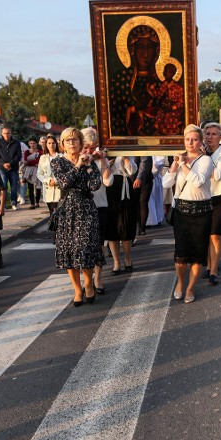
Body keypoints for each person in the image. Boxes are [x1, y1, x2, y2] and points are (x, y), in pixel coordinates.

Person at [51, 127, 106, 306]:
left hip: (86, 208)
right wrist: (78, 166)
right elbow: (65, 182)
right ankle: (76, 289)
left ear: (81, 143)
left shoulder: (88, 162)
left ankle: (88, 284)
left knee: (85, 248)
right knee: (69, 250)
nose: (72, 143)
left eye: (75, 140)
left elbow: (96, 184)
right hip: (67, 209)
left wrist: (89, 165)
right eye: (68, 140)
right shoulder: (57, 162)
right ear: (63, 145)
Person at [163, 124, 213, 303]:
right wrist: (176, 163)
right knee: (180, 256)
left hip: (201, 212)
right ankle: (181, 282)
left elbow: (198, 181)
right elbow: (166, 183)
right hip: (182, 212)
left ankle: (191, 287)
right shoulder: (179, 160)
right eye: (187, 139)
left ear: (200, 142)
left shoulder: (206, 161)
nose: (190, 143)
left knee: (197, 255)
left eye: (194, 139)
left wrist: (184, 164)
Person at [109, 24, 163, 136]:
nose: (146, 54)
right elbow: (115, 113)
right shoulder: (121, 79)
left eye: (149, 47)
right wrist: (133, 109)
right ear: (133, 49)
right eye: (141, 47)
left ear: (156, 50)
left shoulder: (160, 80)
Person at [202, 123, 221, 284]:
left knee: (215, 235)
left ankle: (214, 270)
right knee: (206, 235)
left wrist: (205, 158)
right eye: (207, 134)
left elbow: (218, 175)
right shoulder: (200, 152)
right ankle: (208, 266)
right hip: (203, 197)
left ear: (220, 136)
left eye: (214, 134)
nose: (210, 137)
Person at [82, 127, 109, 295]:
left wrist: (103, 161)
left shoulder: (99, 159)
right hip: (82, 208)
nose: (89, 151)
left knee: (98, 244)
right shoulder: (73, 161)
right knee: (83, 246)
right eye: (86, 147)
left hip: (100, 204)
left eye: (92, 147)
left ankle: (97, 278)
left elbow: (108, 182)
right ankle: (86, 280)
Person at [102, 153, 138, 274]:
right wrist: (106, 162)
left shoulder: (124, 151)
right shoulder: (103, 152)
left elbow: (132, 171)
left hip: (124, 188)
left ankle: (128, 258)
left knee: (125, 226)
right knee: (112, 228)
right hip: (109, 189)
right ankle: (116, 262)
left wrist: (126, 158)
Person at [0, 126, 22, 210]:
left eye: (8, 133)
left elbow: (18, 155)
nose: (6, 135)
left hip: (13, 168)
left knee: (14, 186)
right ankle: (3, 204)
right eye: (4, 133)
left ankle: (13, 203)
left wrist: (10, 164)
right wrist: (3, 164)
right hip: (2, 168)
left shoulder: (16, 143)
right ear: (2, 134)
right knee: (3, 186)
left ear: (11, 133)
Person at [37, 136, 62, 213]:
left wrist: (56, 180)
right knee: (51, 212)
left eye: (53, 143)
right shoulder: (43, 158)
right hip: (48, 189)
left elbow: (65, 172)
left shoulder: (61, 157)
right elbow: (39, 174)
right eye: (49, 143)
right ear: (46, 145)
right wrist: (48, 180)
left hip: (59, 187)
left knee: (57, 212)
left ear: (56, 144)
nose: (51, 145)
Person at [133, 155, 154, 236]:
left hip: (146, 179)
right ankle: (139, 226)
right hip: (132, 178)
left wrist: (139, 178)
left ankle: (142, 227)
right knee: (135, 204)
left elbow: (144, 163)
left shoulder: (144, 149)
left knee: (143, 202)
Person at [21, 138, 41, 209]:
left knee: (38, 187)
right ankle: (32, 203)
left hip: (38, 171)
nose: (32, 145)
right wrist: (33, 162)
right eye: (31, 143)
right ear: (29, 144)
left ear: (36, 144)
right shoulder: (26, 152)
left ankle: (37, 202)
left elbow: (39, 161)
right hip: (28, 172)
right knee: (30, 188)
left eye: (34, 143)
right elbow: (26, 161)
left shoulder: (40, 152)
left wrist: (31, 162)